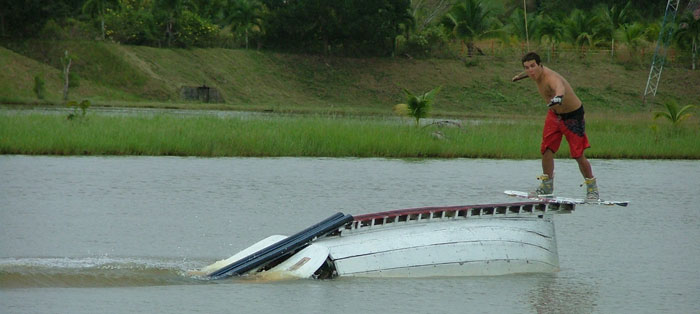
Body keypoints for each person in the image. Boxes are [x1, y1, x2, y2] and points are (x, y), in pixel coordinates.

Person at [512, 52, 599, 200]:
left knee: (578, 155)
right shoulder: (533, 73)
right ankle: (547, 187)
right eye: (527, 67)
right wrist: (520, 76)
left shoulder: (551, 78)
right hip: (554, 115)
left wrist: (558, 97)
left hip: (573, 117)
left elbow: (560, 87)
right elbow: (529, 72)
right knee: (546, 149)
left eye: (533, 66)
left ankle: (592, 189)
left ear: (540, 65)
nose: (530, 70)